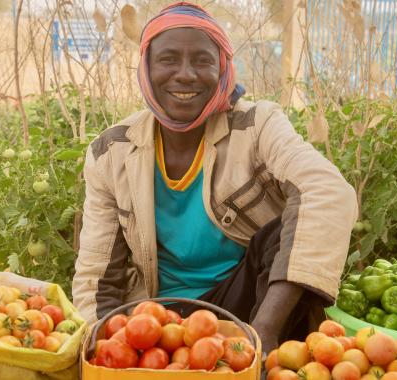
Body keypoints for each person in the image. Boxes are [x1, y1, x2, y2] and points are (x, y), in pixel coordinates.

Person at [72, 1, 358, 353]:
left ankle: (270, 343)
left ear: (223, 68)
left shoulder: (256, 125)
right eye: (168, 59)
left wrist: (261, 332)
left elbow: (329, 191)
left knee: (285, 229)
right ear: (145, 68)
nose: (186, 74)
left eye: (203, 60)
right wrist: (103, 349)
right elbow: (97, 275)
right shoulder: (111, 152)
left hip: (245, 306)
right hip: (157, 320)